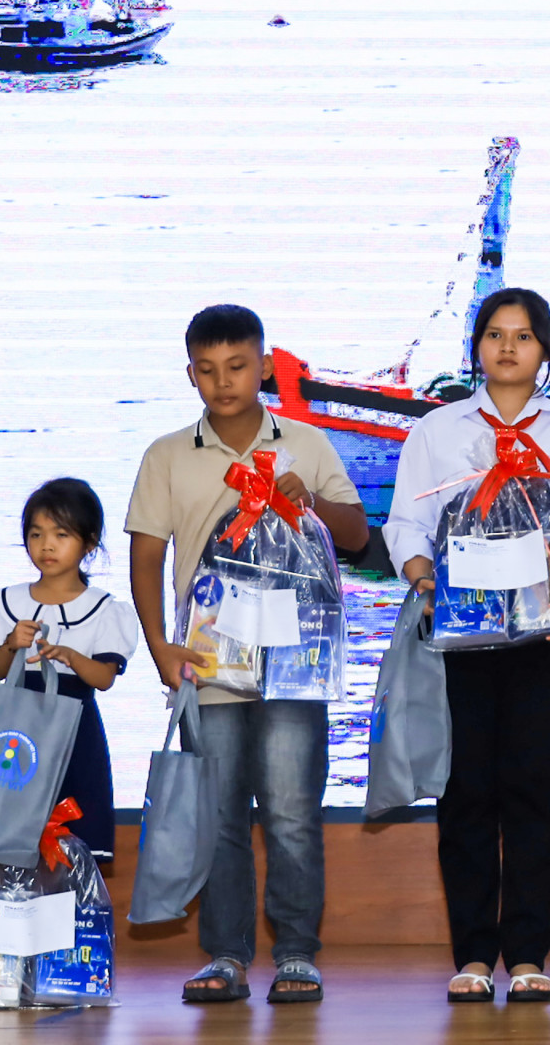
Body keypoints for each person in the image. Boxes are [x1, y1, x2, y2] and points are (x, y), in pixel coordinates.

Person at [125, 304, 368, 1005]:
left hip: (295, 663)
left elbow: (354, 537)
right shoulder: (168, 455)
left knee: (292, 813)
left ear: (264, 365)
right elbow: (146, 558)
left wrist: (310, 500)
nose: (223, 383)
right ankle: (226, 955)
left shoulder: (310, 442)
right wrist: (160, 648)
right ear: (191, 373)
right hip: (208, 665)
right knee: (222, 814)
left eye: (238, 367)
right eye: (207, 370)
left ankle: (296, 953)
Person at [383, 288, 550, 1004]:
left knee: (535, 792)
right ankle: (473, 955)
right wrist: (422, 578)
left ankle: (527, 953)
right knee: (466, 794)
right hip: (462, 640)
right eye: (494, 335)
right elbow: (407, 524)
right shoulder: (439, 431)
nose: (508, 348)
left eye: (523, 336)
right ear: (476, 348)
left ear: (545, 352)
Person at [0, 478, 140, 860]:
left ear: (89, 543)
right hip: (15, 735)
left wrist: (71, 657)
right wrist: (11, 645)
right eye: (36, 534)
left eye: (61, 534)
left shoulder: (104, 608)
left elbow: (104, 679)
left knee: (72, 853)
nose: (46, 545)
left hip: (75, 734)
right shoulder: (6, 600)